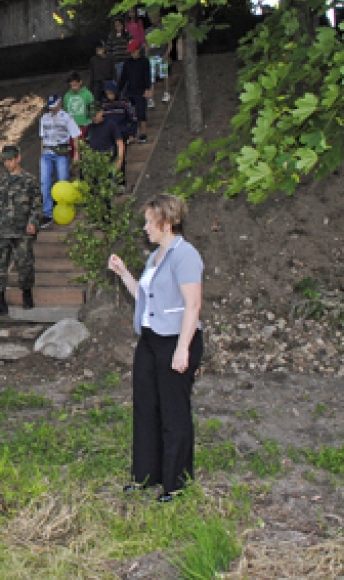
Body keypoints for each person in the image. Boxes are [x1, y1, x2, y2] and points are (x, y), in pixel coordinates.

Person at [108, 194, 203, 503]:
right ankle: (145, 475)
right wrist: (124, 274)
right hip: (150, 340)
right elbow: (147, 298)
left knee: (174, 413)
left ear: (166, 223)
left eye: (150, 222)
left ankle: (176, 484)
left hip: (175, 340)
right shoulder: (156, 256)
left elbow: (193, 305)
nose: (145, 227)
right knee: (146, 407)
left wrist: (182, 348)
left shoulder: (185, 255)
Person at [0, 145, 43, 319]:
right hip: (2, 230)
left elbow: (37, 205)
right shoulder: (0, 182)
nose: (8, 163)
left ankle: (26, 294)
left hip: (22, 231)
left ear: (18, 158)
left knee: (25, 265)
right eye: (5, 160)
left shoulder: (29, 181)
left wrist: (33, 222)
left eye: (10, 160)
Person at [40, 94, 81, 229]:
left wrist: (76, 153)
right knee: (45, 182)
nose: (52, 109)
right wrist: (41, 154)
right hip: (47, 152)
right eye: (50, 107)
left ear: (60, 104)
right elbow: (42, 138)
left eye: (54, 106)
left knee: (62, 181)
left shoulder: (67, 117)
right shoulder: (44, 118)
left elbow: (75, 136)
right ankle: (47, 213)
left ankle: (64, 208)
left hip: (61, 152)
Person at [119, 39, 152, 143]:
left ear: (138, 50)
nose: (132, 53)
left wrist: (147, 88)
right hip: (130, 90)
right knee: (129, 113)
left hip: (141, 90)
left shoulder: (144, 61)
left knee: (141, 112)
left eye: (134, 51)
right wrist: (118, 90)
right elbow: (123, 79)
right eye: (131, 52)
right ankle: (130, 134)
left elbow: (147, 76)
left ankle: (143, 134)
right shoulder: (127, 63)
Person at [84, 103, 125, 174]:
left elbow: (120, 143)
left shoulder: (111, 125)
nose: (94, 118)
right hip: (96, 164)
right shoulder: (89, 128)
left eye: (95, 115)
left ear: (101, 112)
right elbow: (87, 146)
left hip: (110, 161)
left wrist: (119, 161)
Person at [146, 8, 173, 105]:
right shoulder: (148, 31)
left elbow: (170, 43)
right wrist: (146, 56)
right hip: (152, 56)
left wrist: (167, 53)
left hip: (162, 55)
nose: (153, 19)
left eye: (155, 17)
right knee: (151, 78)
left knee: (164, 75)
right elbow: (147, 45)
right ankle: (151, 98)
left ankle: (166, 93)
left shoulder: (164, 29)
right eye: (151, 17)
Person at [107, 18, 131, 83]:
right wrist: (111, 58)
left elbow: (132, 45)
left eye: (119, 25)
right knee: (119, 79)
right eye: (116, 25)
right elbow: (109, 49)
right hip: (117, 62)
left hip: (127, 61)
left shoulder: (127, 35)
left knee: (128, 79)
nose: (118, 27)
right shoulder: (111, 36)